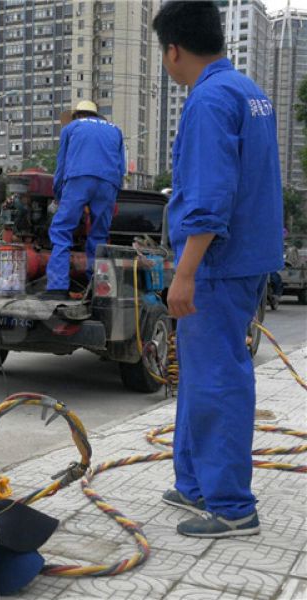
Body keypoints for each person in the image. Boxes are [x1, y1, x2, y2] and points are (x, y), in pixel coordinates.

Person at [153, 1, 283, 537]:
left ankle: (231, 506)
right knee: (200, 377)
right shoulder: (249, 92)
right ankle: (194, 484)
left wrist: (184, 273)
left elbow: (209, 197)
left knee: (217, 380)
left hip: (217, 265)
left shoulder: (208, 100)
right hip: (245, 257)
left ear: (173, 50)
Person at [41, 100, 125, 301]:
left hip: (80, 178)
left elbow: (61, 166)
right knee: (99, 237)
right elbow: (121, 167)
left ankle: (57, 287)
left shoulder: (72, 128)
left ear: (77, 115)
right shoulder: (115, 130)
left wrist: (58, 196)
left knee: (62, 231)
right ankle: (96, 287)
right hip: (108, 182)